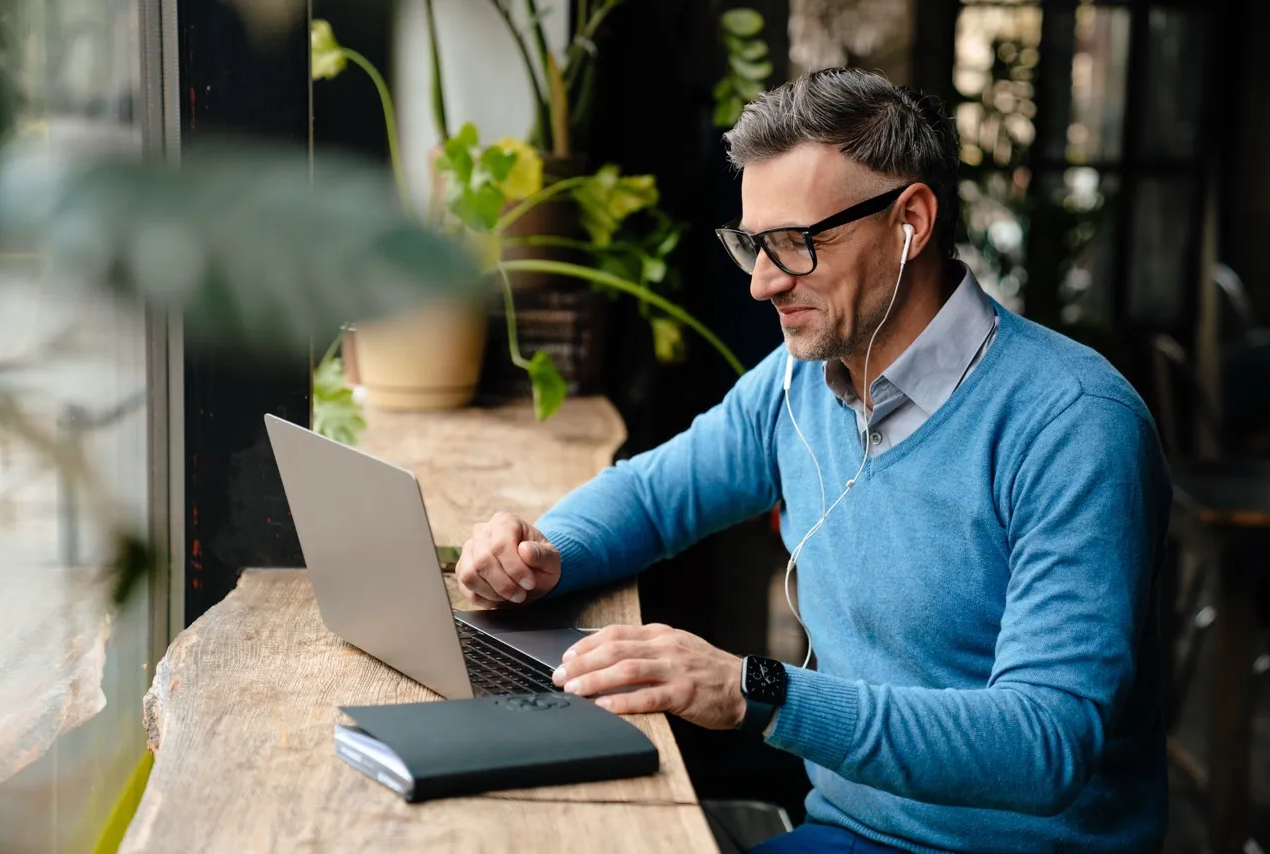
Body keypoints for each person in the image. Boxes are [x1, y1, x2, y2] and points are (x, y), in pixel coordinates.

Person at [454, 66, 1170, 853]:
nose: (762, 283)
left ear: (912, 222)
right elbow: (656, 495)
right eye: (753, 244)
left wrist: (753, 689)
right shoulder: (798, 382)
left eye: (796, 244)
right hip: (846, 833)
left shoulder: (1074, 424)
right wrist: (543, 552)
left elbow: (1046, 743)